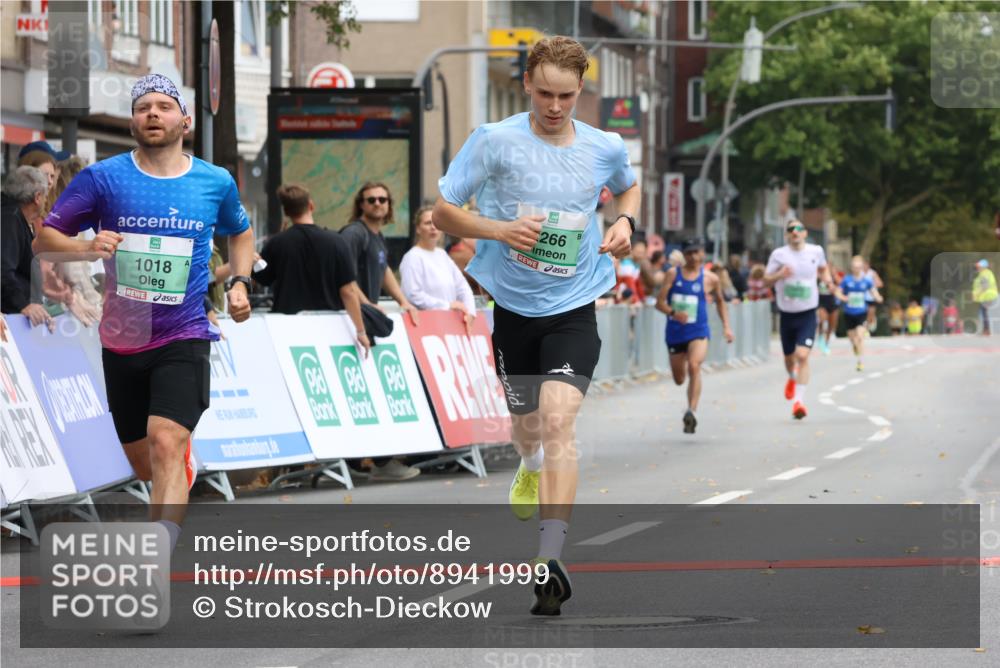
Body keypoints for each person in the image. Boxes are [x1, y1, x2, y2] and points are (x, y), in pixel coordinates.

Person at [433, 35, 639, 616]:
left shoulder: (604, 146)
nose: (554, 106)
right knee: (528, 430)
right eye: (545, 93)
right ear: (526, 83)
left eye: (566, 96)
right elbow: (443, 212)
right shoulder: (494, 141)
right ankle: (527, 467)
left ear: (581, 91)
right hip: (514, 308)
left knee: (557, 421)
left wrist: (626, 222)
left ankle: (549, 559)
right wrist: (499, 230)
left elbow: (627, 186)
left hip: (574, 305)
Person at [33, 74, 255, 554]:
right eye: (143, 107)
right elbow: (44, 240)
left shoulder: (214, 181)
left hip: (185, 332)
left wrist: (240, 282)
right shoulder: (103, 178)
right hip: (123, 338)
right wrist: (87, 246)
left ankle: (157, 551)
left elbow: (240, 233)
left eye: (164, 106)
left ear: (185, 121)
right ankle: (176, 472)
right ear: (133, 122)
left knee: (166, 441)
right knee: (144, 463)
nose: (153, 113)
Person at [341, 182, 421, 481]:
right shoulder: (354, 233)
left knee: (367, 395)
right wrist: (366, 305)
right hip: (354, 322)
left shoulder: (376, 236)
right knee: (362, 395)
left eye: (382, 199)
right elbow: (345, 276)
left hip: (366, 321)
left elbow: (384, 268)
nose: (377, 204)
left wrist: (402, 301)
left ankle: (367, 461)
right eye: (371, 199)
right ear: (361, 204)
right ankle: (374, 462)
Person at [253, 183, 369, 351]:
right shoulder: (336, 242)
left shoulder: (277, 243)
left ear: (286, 212)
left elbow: (263, 279)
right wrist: (361, 331)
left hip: (287, 327)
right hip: (330, 327)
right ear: (311, 206)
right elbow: (348, 291)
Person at [655, 237, 733, 434]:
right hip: (675, 331)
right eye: (689, 253)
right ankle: (689, 401)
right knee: (679, 379)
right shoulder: (673, 274)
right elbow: (659, 303)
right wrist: (674, 313)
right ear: (684, 255)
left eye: (696, 252)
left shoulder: (711, 279)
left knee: (694, 365)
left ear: (702, 253)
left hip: (698, 330)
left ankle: (692, 411)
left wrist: (726, 327)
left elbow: (720, 302)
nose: (693, 257)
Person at [764, 219, 834, 420]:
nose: (795, 232)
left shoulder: (816, 251)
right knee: (789, 358)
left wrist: (827, 280)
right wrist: (780, 274)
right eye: (791, 229)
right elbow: (766, 280)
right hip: (786, 313)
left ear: (805, 233)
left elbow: (823, 268)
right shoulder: (779, 255)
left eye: (799, 228)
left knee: (802, 356)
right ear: (786, 234)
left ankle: (799, 401)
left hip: (807, 312)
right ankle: (792, 377)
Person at [400, 206, 476, 333]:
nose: (433, 227)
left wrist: (470, 312)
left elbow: (462, 287)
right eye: (428, 223)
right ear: (418, 228)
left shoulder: (442, 255)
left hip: (450, 325)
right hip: (424, 327)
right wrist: (447, 305)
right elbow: (412, 294)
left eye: (436, 223)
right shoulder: (412, 257)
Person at [1, 166, 54, 330]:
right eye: (45, 196)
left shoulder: (13, 217)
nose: (46, 201)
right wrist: (23, 304)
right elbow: (3, 270)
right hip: (11, 319)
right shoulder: (9, 219)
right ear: (37, 197)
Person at [835, 255, 882, 372]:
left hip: (861, 312)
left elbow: (873, 291)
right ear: (852, 268)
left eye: (859, 267)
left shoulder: (866, 280)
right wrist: (843, 298)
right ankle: (855, 347)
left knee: (860, 337)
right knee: (853, 339)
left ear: (862, 268)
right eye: (855, 267)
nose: (857, 269)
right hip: (849, 313)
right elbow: (837, 292)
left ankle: (860, 362)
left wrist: (878, 297)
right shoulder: (847, 280)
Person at [815, 263, 841, 355]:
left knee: (831, 325)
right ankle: (820, 335)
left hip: (832, 302)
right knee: (822, 319)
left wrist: (834, 278)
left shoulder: (833, 277)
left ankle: (826, 343)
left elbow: (841, 284)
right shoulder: (818, 277)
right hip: (821, 302)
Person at [972, 259, 998, 336]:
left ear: (983, 267)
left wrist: (977, 294)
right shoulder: (985, 273)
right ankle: (985, 329)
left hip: (987, 296)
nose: (977, 268)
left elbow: (985, 286)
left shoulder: (984, 274)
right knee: (983, 312)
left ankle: (986, 330)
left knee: (984, 313)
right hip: (987, 296)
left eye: (979, 266)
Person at [864, 261, 884, 334]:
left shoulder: (872, 273)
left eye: (866, 265)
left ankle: (867, 328)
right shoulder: (859, 273)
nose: (864, 266)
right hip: (862, 297)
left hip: (871, 297)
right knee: (863, 314)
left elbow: (880, 284)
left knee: (870, 314)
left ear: (868, 265)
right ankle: (864, 329)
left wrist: (871, 285)